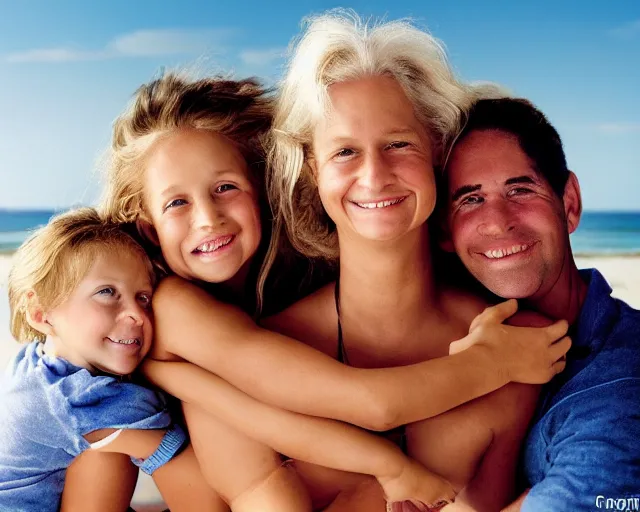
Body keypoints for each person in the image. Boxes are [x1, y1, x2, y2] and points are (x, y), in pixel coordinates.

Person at [63, 64, 570, 511]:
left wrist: (184, 382)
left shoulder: (280, 289)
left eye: (225, 188)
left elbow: (268, 415)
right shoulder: (173, 305)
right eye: (177, 203)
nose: (209, 219)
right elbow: (367, 404)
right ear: (149, 228)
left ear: (262, 191)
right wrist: (492, 364)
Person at [259, 11, 574, 511]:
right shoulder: (271, 342)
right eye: (344, 152)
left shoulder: (518, 341)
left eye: (398, 143)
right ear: (312, 167)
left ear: (436, 148)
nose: (374, 175)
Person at [441, 97, 640, 512]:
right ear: (444, 232)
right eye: (470, 199)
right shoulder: (442, 341)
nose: (498, 221)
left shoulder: (621, 382)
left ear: (569, 203)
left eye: (520, 189)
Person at [0, 208, 224, 512]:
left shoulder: (33, 364)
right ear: (41, 313)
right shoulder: (84, 401)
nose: (137, 314)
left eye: (143, 297)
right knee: (111, 452)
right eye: (107, 292)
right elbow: (204, 498)